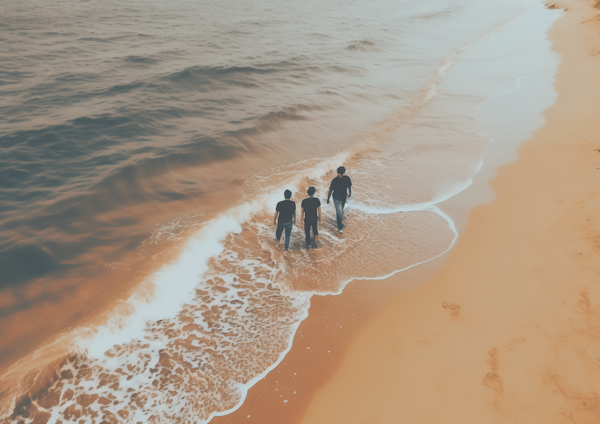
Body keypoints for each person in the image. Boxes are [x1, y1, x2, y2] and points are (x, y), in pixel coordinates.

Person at [327, 166, 352, 232]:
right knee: (339, 211)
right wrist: (350, 193)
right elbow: (349, 187)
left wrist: (328, 198)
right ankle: (339, 227)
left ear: (337, 172)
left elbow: (330, 190)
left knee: (340, 211)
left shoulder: (334, 180)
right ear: (344, 171)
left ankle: (339, 221)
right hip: (343, 197)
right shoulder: (347, 178)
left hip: (337, 197)